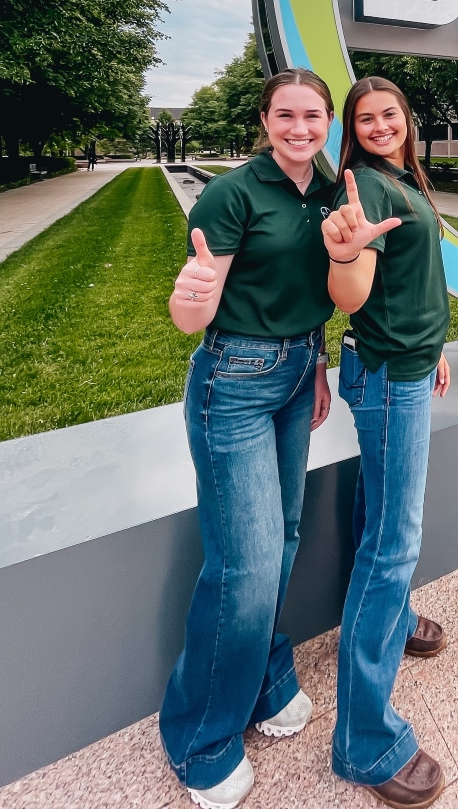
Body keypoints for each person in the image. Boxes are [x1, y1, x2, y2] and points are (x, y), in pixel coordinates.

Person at [159, 69, 342, 809]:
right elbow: (193, 312)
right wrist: (188, 299)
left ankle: (267, 679)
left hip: (298, 371)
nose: (300, 128)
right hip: (234, 381)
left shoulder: (328, 192)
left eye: (312, 116)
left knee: (285, 539)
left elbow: (322, 286)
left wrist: (320, 362)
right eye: (286, 116)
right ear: (265, 119)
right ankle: (199, 734)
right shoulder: (232, 194)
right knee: (245, 561)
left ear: (327, 121)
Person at [322, 76, 452, 809]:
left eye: (389, 113)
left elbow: (413, 278)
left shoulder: (404, 177)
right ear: (354, 128)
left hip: (404, 363)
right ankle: (365, 741)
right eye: (365, 117)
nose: (378, 124)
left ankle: (396, 620)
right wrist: (347, 256)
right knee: (393, 542)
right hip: (387, 379)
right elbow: (355, 288)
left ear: (406, 118)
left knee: (380, 518)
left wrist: (433, 342)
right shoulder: (365, 189)